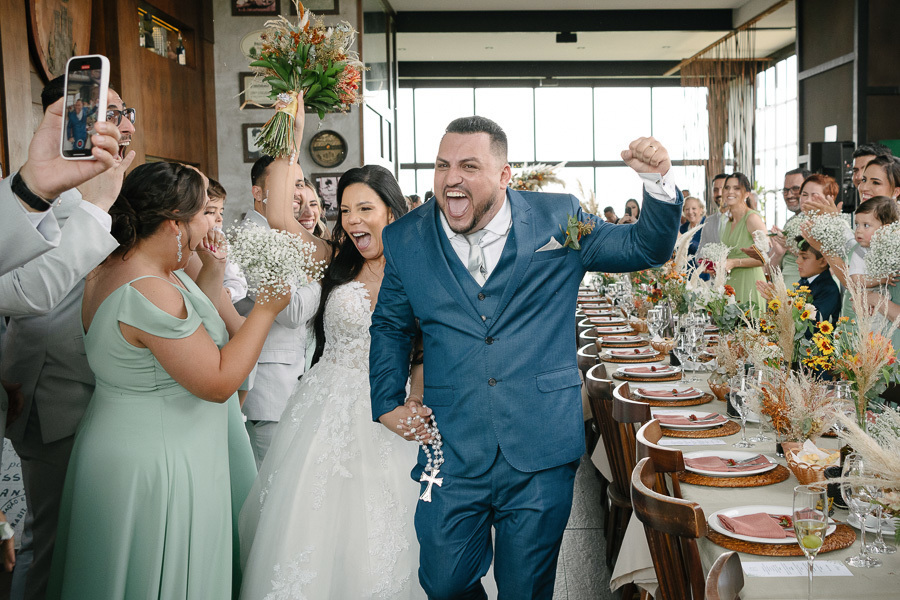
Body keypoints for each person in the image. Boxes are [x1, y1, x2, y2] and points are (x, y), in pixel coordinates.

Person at [369, 116, 682, 598]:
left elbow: (644, 247)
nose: (451, 178)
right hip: (451, 443)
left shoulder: (559, 217)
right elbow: (391, 325)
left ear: (503, 175)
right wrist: (387, 400)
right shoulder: (406, 237)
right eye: (442, 165)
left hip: (540, 442)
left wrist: (657, 183)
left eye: (468, 166)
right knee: (444, 582)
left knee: (526, 590)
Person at [46, 162, 284, 599]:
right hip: (161, 459)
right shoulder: (150, 289)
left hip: (123, 441)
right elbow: (217, 381)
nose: (212, 225)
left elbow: (190, 335)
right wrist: (267, 308)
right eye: (204, 214)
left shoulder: (118, 265)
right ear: (175, 223)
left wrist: (211, 270)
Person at [239, 164, 427, 599]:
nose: (353, 220)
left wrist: (415, 399)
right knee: (311, 525)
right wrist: (291, 140)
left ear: (392, 210)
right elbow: (281, 217)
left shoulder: (420, 269)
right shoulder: (333, 258)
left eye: (364, 208)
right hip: (325, 412)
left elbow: (424, 347)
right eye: (344, 210)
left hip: (392, 410)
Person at [0, 79, 136, 600]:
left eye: (125, 112)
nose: (123, 125)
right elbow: (30, 294)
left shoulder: (119, 184)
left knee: (97, 537)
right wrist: (94, 207)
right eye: (110, 114)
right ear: (67, 121)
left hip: (110, 390)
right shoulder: (35, 197)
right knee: (50, 539)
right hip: (52, 394)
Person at [239, 156, 322, 467]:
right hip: (272, 391)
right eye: (286, 183)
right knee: (270, 484)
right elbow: (291, 312)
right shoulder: (253, 236)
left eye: (298, 183)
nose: (295, 191)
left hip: (296, 382)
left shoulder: (281, 233)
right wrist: (327, 276)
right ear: (258, 192)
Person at [757, 237, 840, 326]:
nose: (797, 261)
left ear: (823, 261)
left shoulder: (828, 290)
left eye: (804, 257)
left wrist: (780, 301)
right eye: (798, 256)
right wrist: (775, 299)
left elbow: (810, 326)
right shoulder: (804, 282)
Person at [719, 172, 765, 310]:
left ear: (746, 194)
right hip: (732, 283)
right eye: (727, 188)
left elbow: (765, 258)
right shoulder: (728, 221)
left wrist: (734, 262)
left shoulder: (752, 219)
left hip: (750, 282)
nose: (730, 191)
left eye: (736, 188)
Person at [768, 167, 810, 287]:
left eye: (795, 189)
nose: (789, 195)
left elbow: (822, 262)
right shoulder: (790, 222)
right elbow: (771, 270)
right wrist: (778, 253)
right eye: (785, 190)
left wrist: (790, 245)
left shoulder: (818, 221)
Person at [695, 173, 728, 255]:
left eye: (723, 189)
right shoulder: (709, 221)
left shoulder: (743, 219)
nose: (719, 193)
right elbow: (700, 253)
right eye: (715, 190)